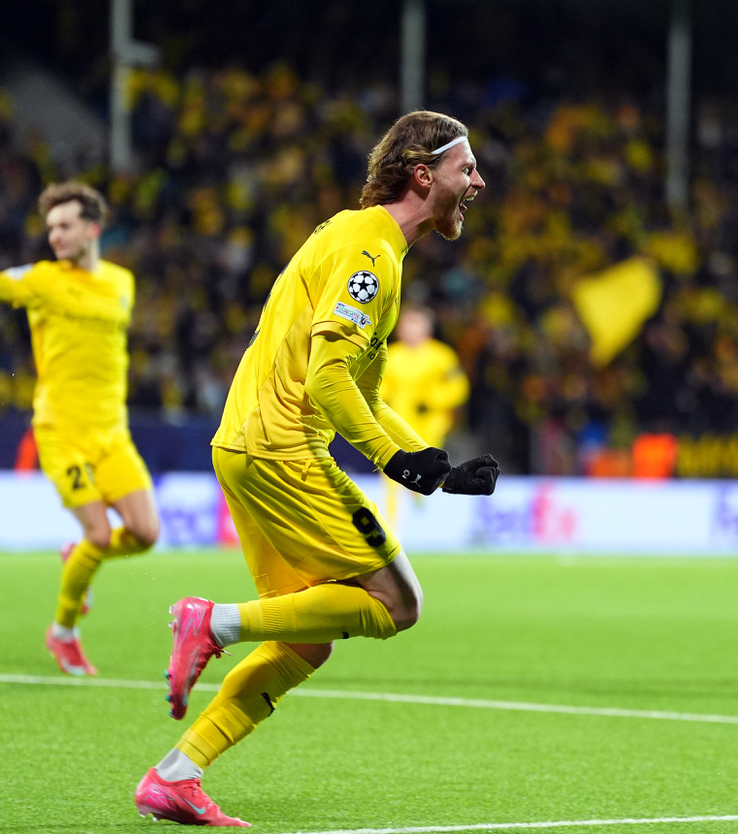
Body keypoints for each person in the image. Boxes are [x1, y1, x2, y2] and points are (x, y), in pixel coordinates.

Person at [134, 111, 500, 827]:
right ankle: (213, 621)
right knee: (400, 604)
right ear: (424, 175)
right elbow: (328, 383)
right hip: (282, 448)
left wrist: (436, 466)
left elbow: (362, 393)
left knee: (305, 638)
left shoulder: (356, 239)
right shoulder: (372, 253)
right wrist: (392, 462)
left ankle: (177, 775)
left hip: (241, 446)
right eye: (467, 169)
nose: (478, 182)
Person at [0, 183, 159, 678]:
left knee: (145, 533)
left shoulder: (122, 282)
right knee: (99, 533)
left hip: (112, 433)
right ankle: (63, 634)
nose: (53, 235)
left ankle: (75, 557)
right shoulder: (40, 279)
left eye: (64, 226)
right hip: (61, 430)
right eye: (50, 227)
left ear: (91, 229)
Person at [379, 305, 470, 523]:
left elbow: (459, 387)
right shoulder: (391, 355)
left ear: (427, 328)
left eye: (414, 324)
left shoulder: (441, 356)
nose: (408, 329)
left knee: (424, 468)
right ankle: (391, 527)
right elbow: (379, 387)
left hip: (429, 425)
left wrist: (432, 401)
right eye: (405, 324)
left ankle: (419, 493)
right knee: (390, 473)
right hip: (396, 424)